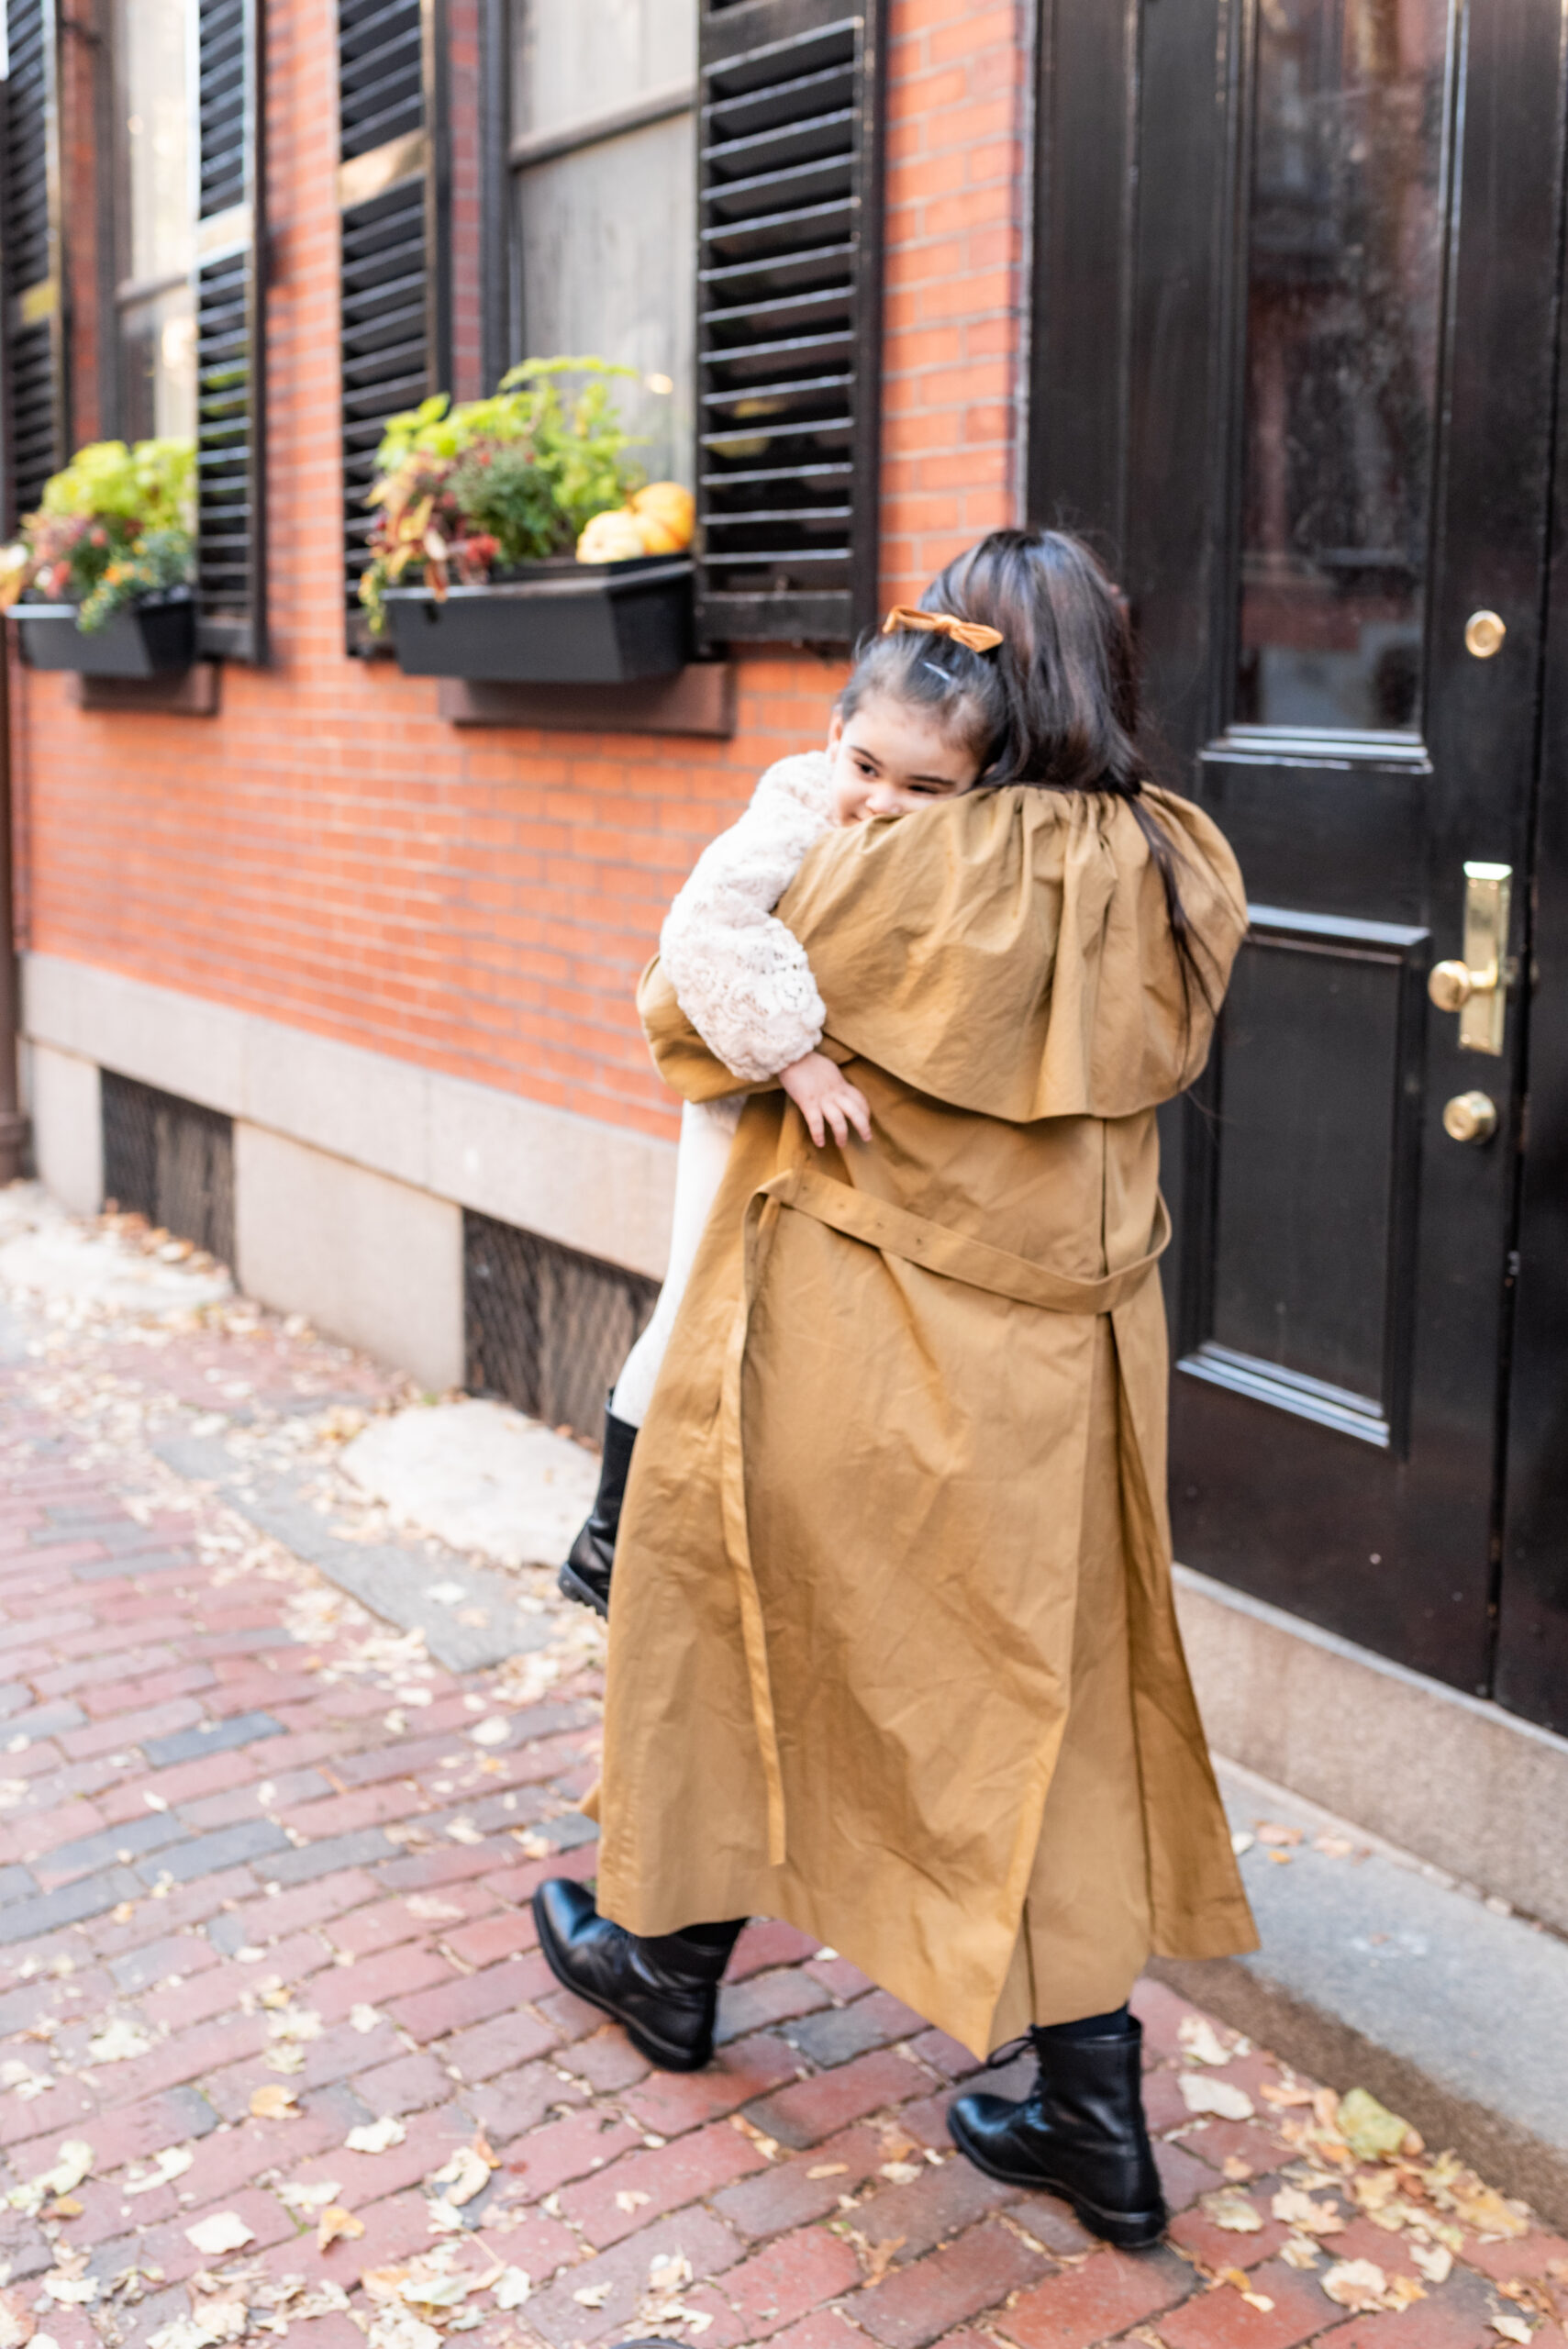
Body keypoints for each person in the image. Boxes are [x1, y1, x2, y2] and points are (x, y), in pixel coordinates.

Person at [534, 529, 1260, 2254]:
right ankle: (1091, 2120)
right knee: (1057, 1719)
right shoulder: (1174, 866)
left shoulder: (903, 859)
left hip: (857, 1333)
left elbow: (678, 1015)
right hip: (1067, 1379)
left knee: (734, 1622)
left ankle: (661, 1963)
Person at [559, 607, 1008, 1617]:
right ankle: (607, 1538)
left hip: (797, 1115)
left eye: (922, 788)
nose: (881, 801)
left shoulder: (954, 838)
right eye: (866, 767)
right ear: (831, 735)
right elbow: (705, 927)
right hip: (739, 1095)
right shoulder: (795, 809)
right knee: (691, 1297)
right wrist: (794, 1059)